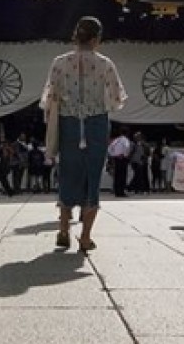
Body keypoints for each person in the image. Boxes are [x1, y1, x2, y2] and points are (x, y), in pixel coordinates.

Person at [41, 16, 127, 253]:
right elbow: (117, 98)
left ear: (75, 36)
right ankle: (85, 237)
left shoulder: (59, 62)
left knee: (67, 173)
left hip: (68, 123)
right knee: (92, 177)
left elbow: (50, 98)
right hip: (95, 123)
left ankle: (63, 231)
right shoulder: (105, 63)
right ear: (97, 38)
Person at [108, 129, 132, 197]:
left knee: (117, 176)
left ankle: (116, 192)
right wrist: (124, 155)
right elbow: (127, 147)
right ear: (127, 133)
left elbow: (109, 148)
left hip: (116, 158)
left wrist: (114, 155)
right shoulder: (125, 140)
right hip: (122, 159)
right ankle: (121, 192)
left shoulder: (116, 140)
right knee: (122, 176)